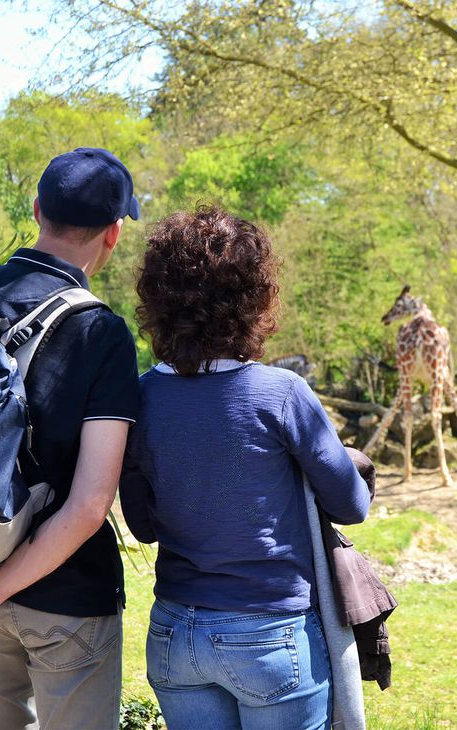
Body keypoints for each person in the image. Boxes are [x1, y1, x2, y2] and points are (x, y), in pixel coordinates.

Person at [119, 206, 370, 730]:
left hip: (175, 632)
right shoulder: (282, 394)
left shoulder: (139, 399)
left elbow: (141, 526)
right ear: (253, 298)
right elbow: (351, 505)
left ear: (158, 301)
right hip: (270, 633)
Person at [0, 148, 141, 730]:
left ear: (36, 210)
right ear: (114, 234)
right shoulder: (100, 333)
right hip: (66, 599)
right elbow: (89, 505)